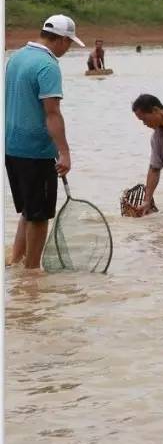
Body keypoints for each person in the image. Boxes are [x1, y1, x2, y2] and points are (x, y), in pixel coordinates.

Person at [6, 15, 80, 269]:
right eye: (68, 43)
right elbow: (52, 112)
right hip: (36, 151)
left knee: (29, 209)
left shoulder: (15, 57)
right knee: (39, 217)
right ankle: (32, 274)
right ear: (60, 39)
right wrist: (64, 152)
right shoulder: (48, 66)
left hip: (11, 147)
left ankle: (15, 261)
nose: (67, 49)